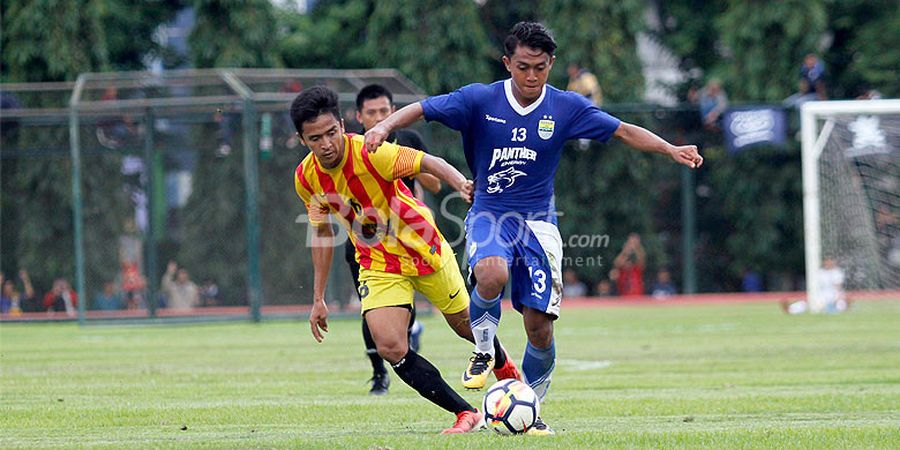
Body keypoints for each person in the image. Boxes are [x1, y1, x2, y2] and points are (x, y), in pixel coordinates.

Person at [364, 22, 703, 435]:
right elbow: (423, 108)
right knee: (491, 272)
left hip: (539, 223)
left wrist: (670, 148)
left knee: (539, 326)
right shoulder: (478, 99)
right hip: (490, 213)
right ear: (508, 63)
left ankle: (532, 410)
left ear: (551, 65)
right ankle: (485, 351)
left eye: (540, 68)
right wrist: (383, 127)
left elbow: (622, 131)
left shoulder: (566, 107)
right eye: (523, 67)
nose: (531, 76)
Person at [292, 86, 520, 434]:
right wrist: (318, 297)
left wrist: (461, 183)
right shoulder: (306, 178)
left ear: (341, 124)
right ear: (302, 139)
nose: (326, 144)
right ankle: (466, 413)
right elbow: (322, 233)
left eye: (331, 133)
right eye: (315, 138)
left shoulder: (372, 153)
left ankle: (504, 367)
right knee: (390, 345)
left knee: (466, 327)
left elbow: (429, 162)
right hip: (378, 264)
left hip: (423, 248)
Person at [350, 84, 442, 395]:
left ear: (393, 112)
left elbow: (434, 184)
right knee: (371, 308)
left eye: (384, 111)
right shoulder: (352, 148)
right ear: (358, 116)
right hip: (367, 241)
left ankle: (410, 328)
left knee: (407, 307)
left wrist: (408, 166)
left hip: (409, 238)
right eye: (371, 112)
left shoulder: (409, 140)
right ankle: (379, 374)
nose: (378, 117)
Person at [780, 257, 850, 315]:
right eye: (827, 260)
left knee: (839, 304)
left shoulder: (837, 272)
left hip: (833, 295)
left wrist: (837, 297)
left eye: (830, 260)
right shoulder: (820, 272)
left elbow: (838, 287)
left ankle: (844, 306)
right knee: (808, 303)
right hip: (822, 296)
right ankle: (791, 309)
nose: (828, 262)